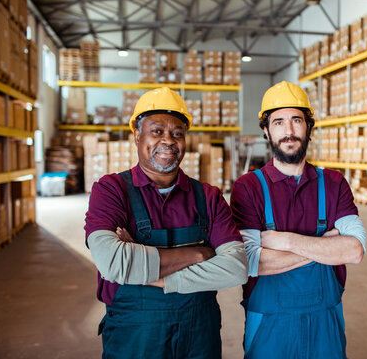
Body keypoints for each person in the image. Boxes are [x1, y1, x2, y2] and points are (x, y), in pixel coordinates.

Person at [84, 87, 248, 359]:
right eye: (157, 131)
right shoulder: (111, 190)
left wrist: (143, 269)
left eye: (177, 133)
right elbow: (113, 263)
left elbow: (236, 268)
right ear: (137, 135)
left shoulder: (208, 196)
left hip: (199, 336)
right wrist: (200, 254)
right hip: (134, 337)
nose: (169, 140)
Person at [230, 81, 366, 359]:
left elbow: (353, 251)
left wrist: (284, 240)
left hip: (325, 324)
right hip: (269, 327)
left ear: (308, 128)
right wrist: (324, 248)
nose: (289, 131)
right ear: (266, 131)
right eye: (278, 122)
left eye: (296, 120)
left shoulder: (334, 183)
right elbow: (251, 261)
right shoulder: (248, 187)